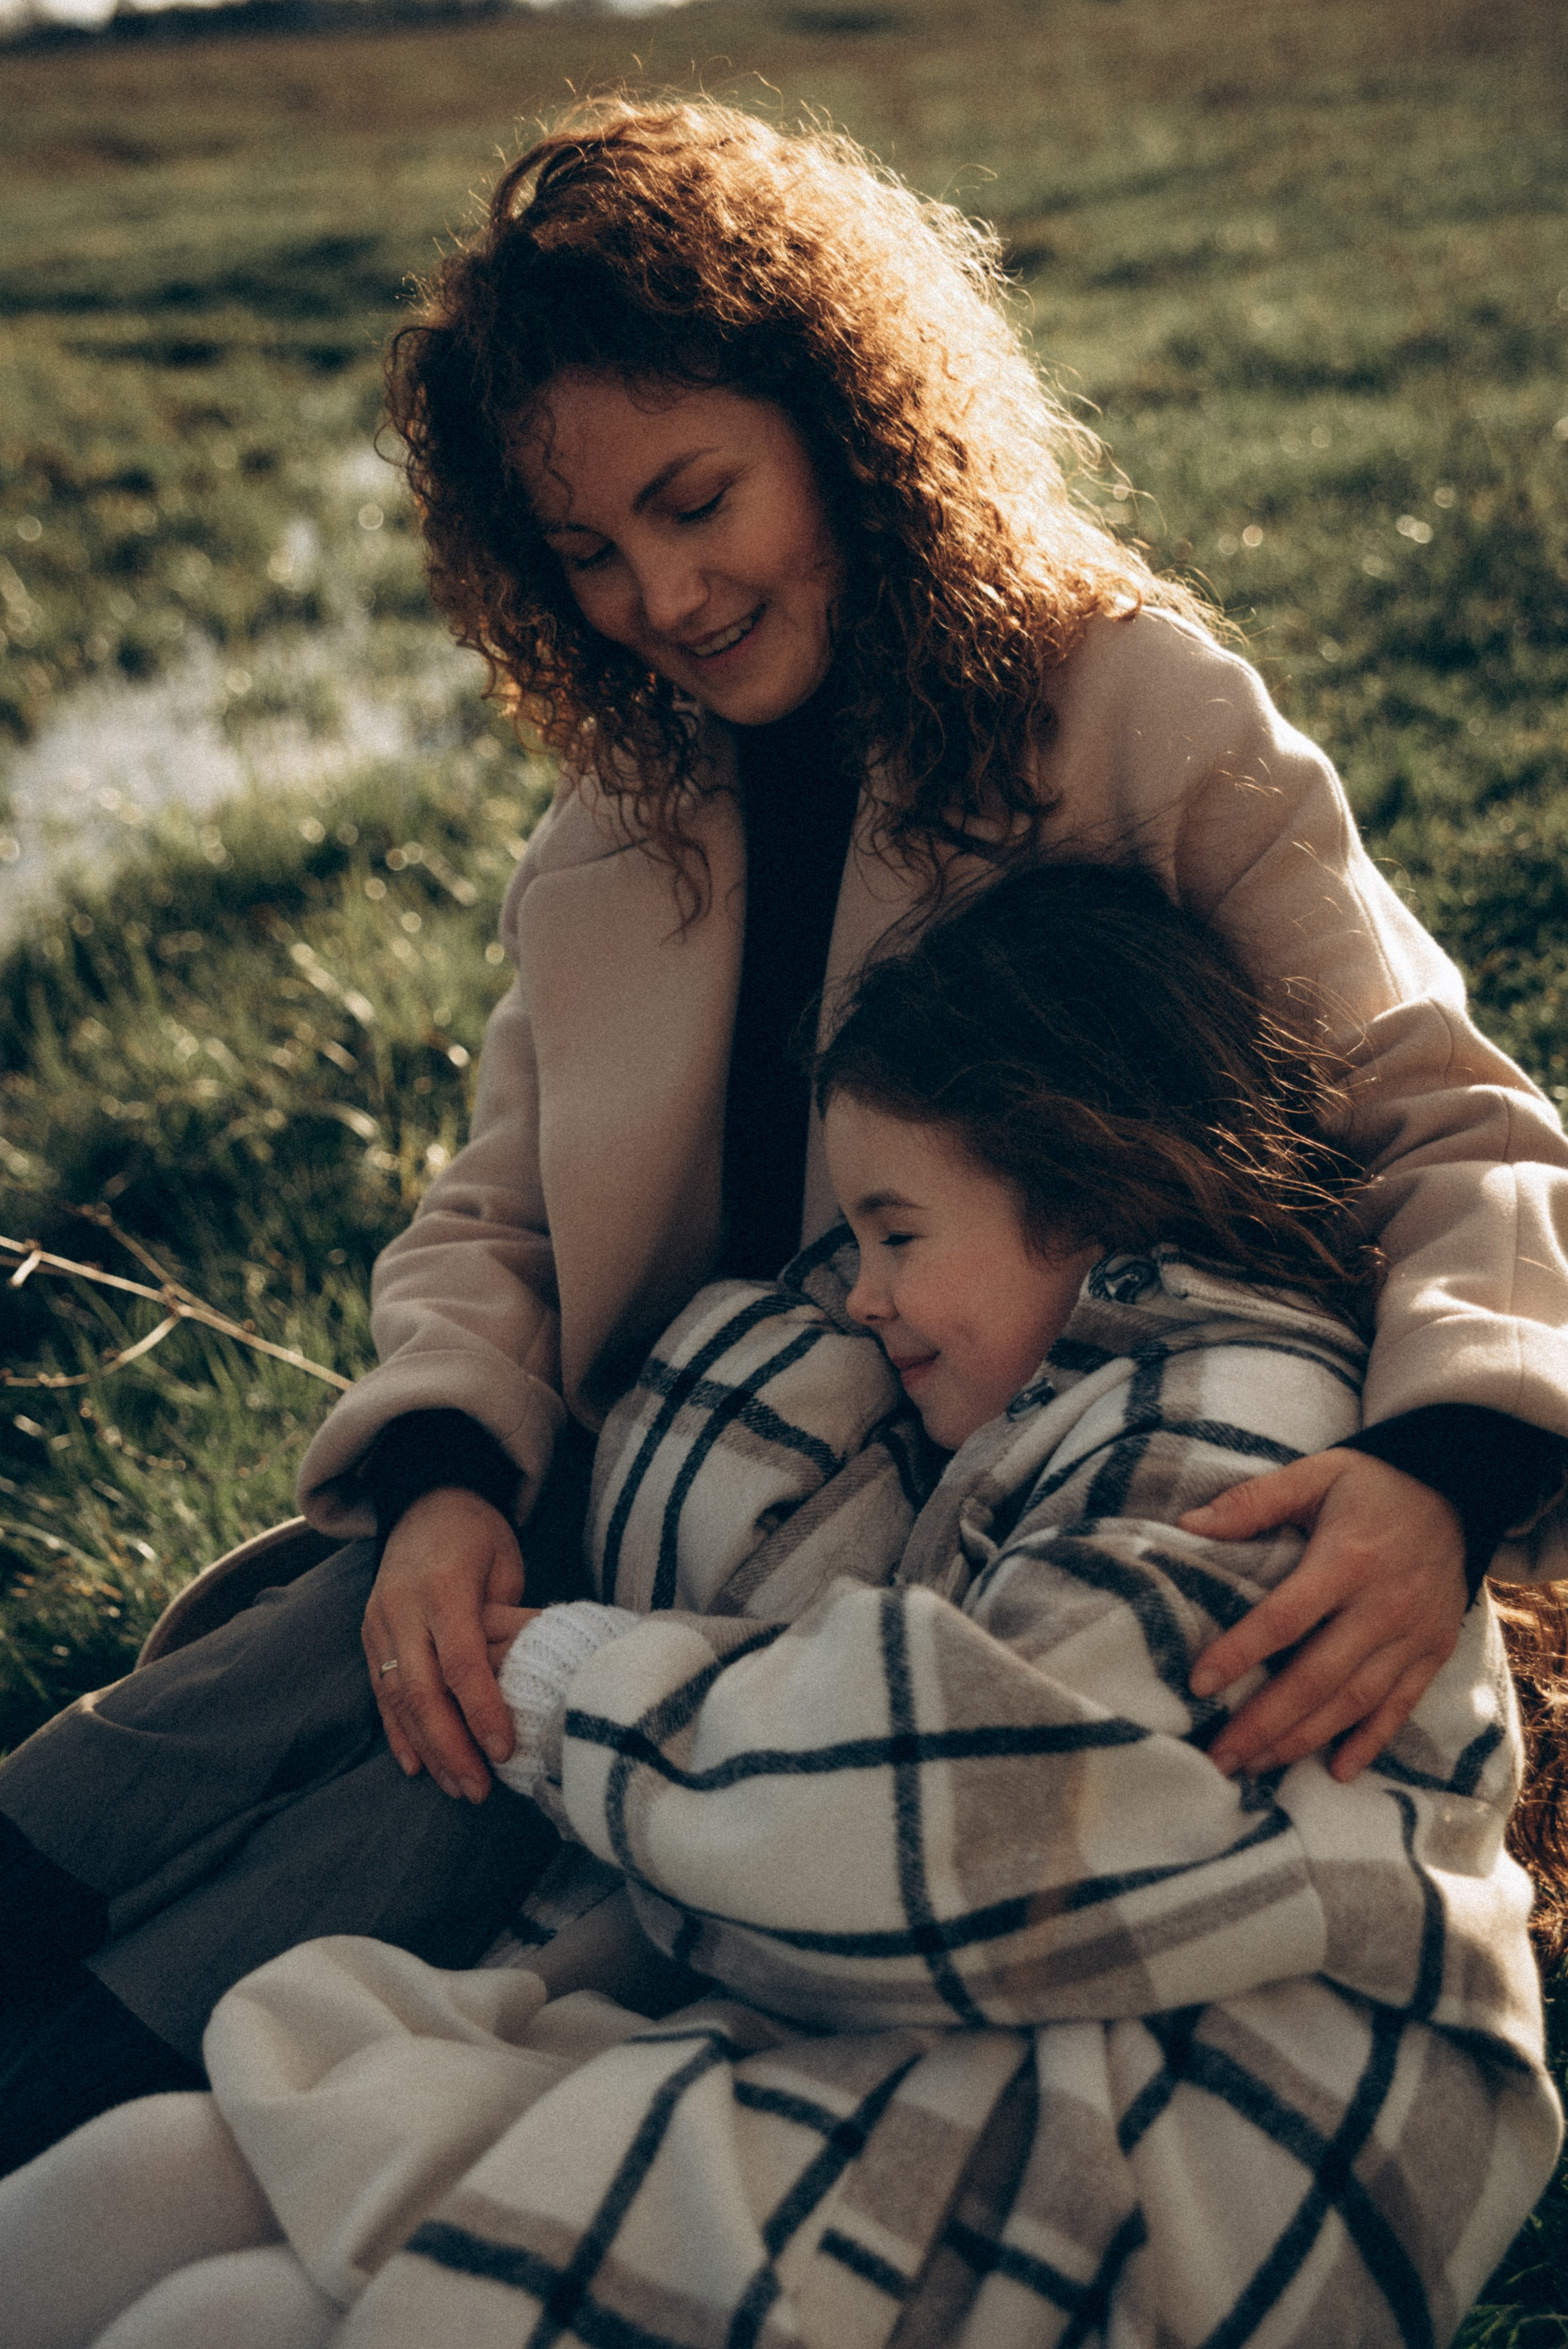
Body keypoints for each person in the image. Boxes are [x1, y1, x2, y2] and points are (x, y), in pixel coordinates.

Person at [4, 94, 1568, 2165]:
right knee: (288, 1663)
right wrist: (454, 1471)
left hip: (889, 1571)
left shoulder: (1133, 711)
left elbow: (1449, 1115)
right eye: (585, 553)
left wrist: (1445, 1466)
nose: (657, 594)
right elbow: (496, 1220)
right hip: (625, 1474)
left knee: (411, 1785)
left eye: (693, 499)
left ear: (849, 418)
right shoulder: (614, 823)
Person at [2, 862, 1561, 2349]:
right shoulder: (1031, 1415)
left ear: (1081, 1203)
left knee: (220, 2319)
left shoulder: (1245, 1418)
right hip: (925, 2032)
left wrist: (558, 1676)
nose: (863, 1292)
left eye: (896, 1232)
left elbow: (970, 1798)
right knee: (137, 2181)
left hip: (1155, 2129)